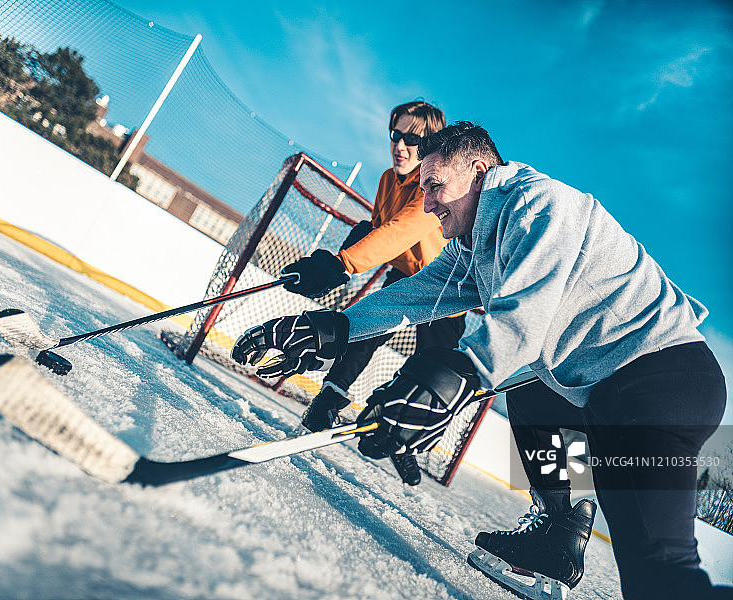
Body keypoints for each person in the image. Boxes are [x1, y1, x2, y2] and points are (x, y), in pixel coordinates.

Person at [231, 121, 729, 599]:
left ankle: (595, 539)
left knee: (660, 580)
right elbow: (413, 295)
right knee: (531, 396)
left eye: (434, 186)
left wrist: (458, 374)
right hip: (598, 391)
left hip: (660, 385)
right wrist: (336, 328)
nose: (426, 204)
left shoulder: (542, 205)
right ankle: (562, 530)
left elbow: (525, 314)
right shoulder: (474, 244)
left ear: (477, 170)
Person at [278, 101, 465, 486]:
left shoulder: (432, 185)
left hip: (444, 290)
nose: (400, 145)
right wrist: (363, 233)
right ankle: (327, 402)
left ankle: (406, 442)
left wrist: (342, 263)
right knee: (363, 334)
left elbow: (403, 228)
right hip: (403, 277)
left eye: (413, 139)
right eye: (396, 134)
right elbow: (383, 227)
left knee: (430, 363)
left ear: (430, 143)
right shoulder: (385, 179)